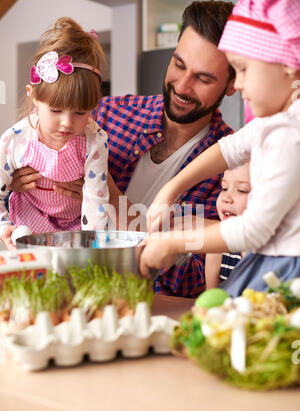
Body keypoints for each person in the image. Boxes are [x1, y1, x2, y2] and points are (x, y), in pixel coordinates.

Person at [10, 1, 236, 297]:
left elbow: (191, 277)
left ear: (233, 83)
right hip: (60, 292)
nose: (182, 86)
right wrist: (18, 185)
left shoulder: (231, 171)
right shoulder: (105, 114)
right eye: (178, 64)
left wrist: (109, 194)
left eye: (203, 78)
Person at [141, 0, 300, 297]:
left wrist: (174, 243)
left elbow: (253, 229)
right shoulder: (278, 122)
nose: (236, 85)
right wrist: (170, 190)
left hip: (286, 272)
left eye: (242, 69)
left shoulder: (290, 134)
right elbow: (229, 149)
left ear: (289, 67)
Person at [0, 17, 109, 249]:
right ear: (34, 97)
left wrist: (95, 251)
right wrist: (3, 226)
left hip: (76, 225)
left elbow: (95, 203)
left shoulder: (95, 141)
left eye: (80, 112)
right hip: (31, 220)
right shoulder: (15, 139)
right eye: (56, 110)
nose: (66, 123)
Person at [205, 163, 251, 289]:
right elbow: (210, 301)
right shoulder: (217, 248)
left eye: (242, 190)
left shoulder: (277, 251)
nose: (226, 198)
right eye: (224, 188)